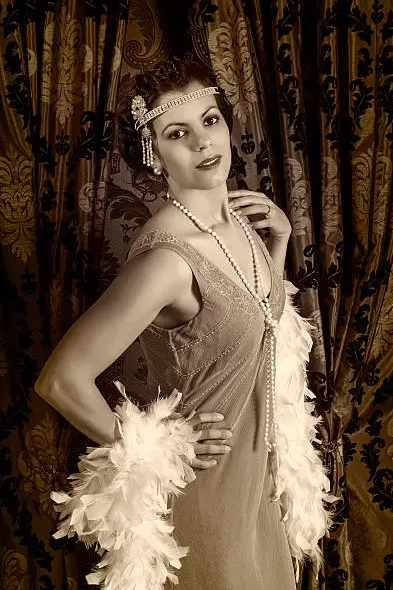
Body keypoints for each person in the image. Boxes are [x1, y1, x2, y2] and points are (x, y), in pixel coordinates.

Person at [35, 57, 337, 589]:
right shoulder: (168, 261)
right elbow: (61, 379)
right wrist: (154, 446)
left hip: (260, 494)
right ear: (154, 155)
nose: (203, 143)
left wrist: (280, 242)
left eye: (211, 120)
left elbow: (263, 330)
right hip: (208, 496)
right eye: (179, 133)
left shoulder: (244, 226)